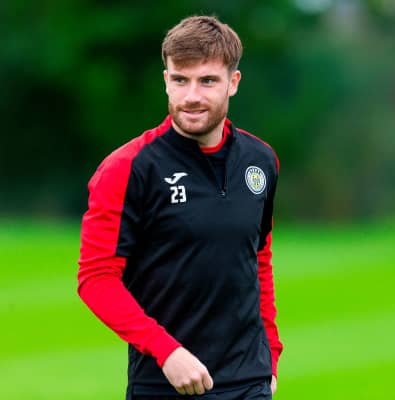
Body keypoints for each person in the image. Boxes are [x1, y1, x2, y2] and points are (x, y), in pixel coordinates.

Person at [78, 15, 283, 400]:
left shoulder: (261, 160)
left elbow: (258, 257)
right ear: (165, 80)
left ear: (233, 82)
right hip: (165, 383)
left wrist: (270, 353)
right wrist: (166, 351)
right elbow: (96, 278)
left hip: (250, 382)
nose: (191, 96)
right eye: (180, 80)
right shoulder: (127, 169)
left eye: (207, 81)